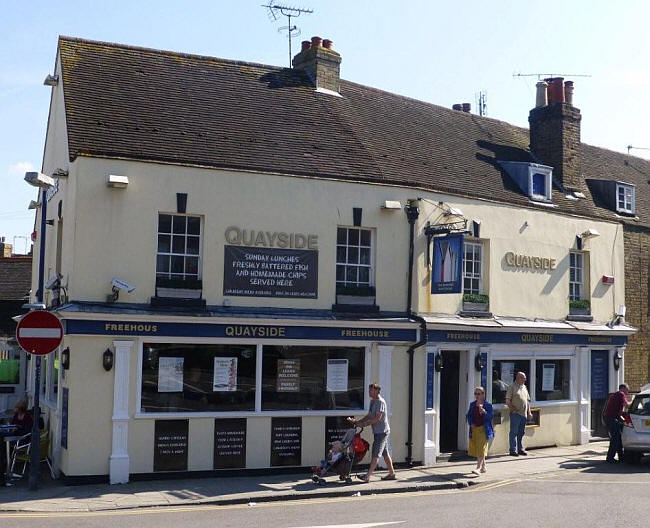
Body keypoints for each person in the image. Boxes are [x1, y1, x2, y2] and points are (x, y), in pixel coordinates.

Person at [348, 382, 396, 483]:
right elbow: (369, 415)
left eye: (371, 390)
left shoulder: (380, 402)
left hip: (382, 432)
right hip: (378, 432)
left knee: (376, 454)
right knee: (385, 453)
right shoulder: (372, 402)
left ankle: (367, 477)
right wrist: (358, 422)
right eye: (369, 390)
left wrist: (364, 424)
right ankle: (392, 474)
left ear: (378, 391)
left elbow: (377, 419)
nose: (369, 392)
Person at [466, 386, 494, 475]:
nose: (477, 396)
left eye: (478, 394)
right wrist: (471, 423)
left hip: (484, 429)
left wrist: (483, 411)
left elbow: (490, 417)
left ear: (483, 394)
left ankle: (478, 468)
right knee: (477, 447)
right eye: (475, 394)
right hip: (474, 429)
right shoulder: (472, 404)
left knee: (481, 448)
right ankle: (483, 467)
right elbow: (469, 415)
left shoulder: (488, 405)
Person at [602, 383, 632, 463]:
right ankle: (610, 458)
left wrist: (623, 419)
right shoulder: (621, 394)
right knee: (615, 438)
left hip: (610, 418)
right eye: (627, 390)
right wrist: (633, 401)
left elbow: (619, 411)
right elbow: (627, 405)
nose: (627, 392)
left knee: (618, 437)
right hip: (611, 419)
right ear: (623, 388)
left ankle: (621, 457)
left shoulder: (615, 395)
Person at [505, 371, 532, 456]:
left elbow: (527, 401)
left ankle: (520, 449)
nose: (525, 379)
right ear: (518, 378)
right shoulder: (512, 387)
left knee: (521, 432)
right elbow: (508, 400)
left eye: (525, 378)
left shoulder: (524, 387)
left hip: (523, 414)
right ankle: (512, 450)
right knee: (514, 432)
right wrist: (512, 409)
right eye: (523, 378)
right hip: (515, 414)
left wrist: (529, 412)